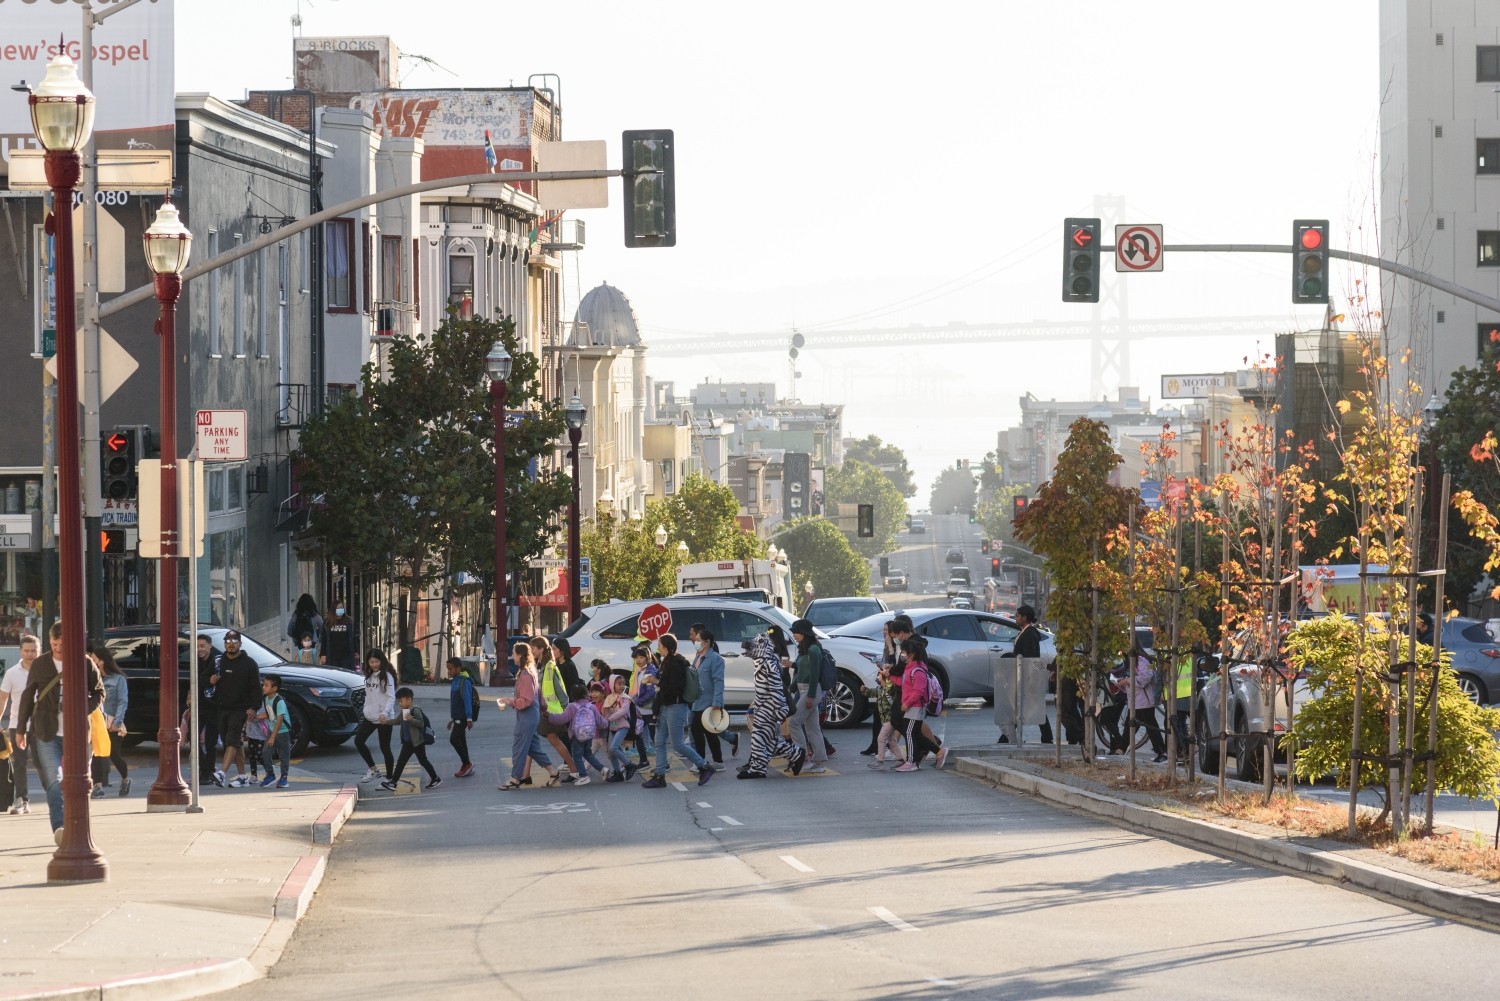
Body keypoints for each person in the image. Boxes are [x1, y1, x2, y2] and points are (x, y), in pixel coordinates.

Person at [16, 622, 105, 844]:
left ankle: (79, 823)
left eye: (62, 645)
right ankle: (60, 827)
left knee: (80, 782)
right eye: (54, 644)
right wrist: (20, 729)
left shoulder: (84, 663)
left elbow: (99, 692)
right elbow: (27, 697)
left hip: (76, 733)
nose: (57, 649)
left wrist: (82, 708)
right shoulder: (40, 664)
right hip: (46, 732)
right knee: (54, 780)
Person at [641, 633, 715, 788]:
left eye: (660, 646)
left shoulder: (676, 664)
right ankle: (660, 776)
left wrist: (656, 681)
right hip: (665, 706)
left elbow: (675, 688)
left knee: (678, 744)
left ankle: (704, 766)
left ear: (666, 647)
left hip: (676, 706)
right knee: (660, 742)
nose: (658, 649)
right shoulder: (666, 662)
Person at [738, 632, 806, 779]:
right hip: (764, 706)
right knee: (767, 741)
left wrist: (780, 708)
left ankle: (758, 769)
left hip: (769, 708)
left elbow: (775, 687)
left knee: (759, 737)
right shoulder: (762, 661)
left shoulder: (768, 663)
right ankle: (796, 754)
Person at [496, 642, 561, 790]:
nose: (512, 656)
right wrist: (543, 708)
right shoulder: (530, 671)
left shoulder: (525, 675)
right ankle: (553, 771)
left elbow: (527, 700)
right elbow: (538, 696)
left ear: (520, 655)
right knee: (532, 748)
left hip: (527, 716)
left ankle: (515, 779)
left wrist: (509, 701)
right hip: (532, 715)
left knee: (519, 747)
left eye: (514, 653)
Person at [210, 630, 261, 788]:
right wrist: (210, 680)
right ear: (224, 644)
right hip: (221, 708)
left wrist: (254, 708)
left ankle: (222, 773)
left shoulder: (249, 663)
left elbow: (256, 689)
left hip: (241, 709)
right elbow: (204, 679)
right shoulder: (218, 662)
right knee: (232, 743)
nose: (231, 644)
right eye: (228, 641)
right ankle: (242, 776)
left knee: (232, 738)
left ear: (240, 643)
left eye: (234, 641)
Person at [999, 604, 1053, 744]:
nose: (1015, 618)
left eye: (1017, 616)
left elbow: (1028, 657)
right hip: (1024, 674)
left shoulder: (1029, 634)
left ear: (1025, 617)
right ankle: (1046, 737)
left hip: (1028, 675)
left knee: (1027, 707)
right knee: (1028, 707)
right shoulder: (1025, 632)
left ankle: (1006, 738)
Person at [0, 633, 39, 814]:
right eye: (27, 651)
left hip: (43, 725)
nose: (30, 654)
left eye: (34, 650)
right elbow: (3, 698)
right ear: (20, 651)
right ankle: (22, 800)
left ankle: (59, 797)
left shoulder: (46, 670)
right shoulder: (12, 673)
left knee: (45, 763)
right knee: (20, 764)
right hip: (18, 725)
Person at [688, 623, 737, 764]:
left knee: (697, 730)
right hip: (697, 701)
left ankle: (701, 762)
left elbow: (718, 681)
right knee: (709, 733)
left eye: (698, 640)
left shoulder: (715, 658)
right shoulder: (698, 657)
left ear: (707, 642)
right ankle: (716, 762)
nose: (695, 643)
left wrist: (717, 702)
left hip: (708, 702)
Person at [786, 619, 829, 774]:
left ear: (804, 633)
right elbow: (801, 672)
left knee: (793, 722)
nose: (794, 635)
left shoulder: (813, 649)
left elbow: (814, 675)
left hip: (812, 690)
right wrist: (790, 688)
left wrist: (810, 696)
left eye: (796, 632)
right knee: (812, 728)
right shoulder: (805, 649)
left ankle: (802, 757)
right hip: (804, 690)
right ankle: (819, 761)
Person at [895, 635, 944, 771]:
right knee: (914, 733)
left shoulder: (917, 671)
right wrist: (890, 674)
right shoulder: (909, 668)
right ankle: (933, 753)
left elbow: (918, 691)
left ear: (911, 654)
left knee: (909, 733)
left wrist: (907, 703)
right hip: (910, 706)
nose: (902, 655)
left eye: (903, 652)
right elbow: (902, 683)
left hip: (915, 707)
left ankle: (911, 762)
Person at [88, 643, 130, 797]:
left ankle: (125, 779)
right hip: (96, 720)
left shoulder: (118, 679)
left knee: (113, 754)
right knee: (97, 754)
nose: (91, 662)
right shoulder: (91, 678)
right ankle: (97, 786)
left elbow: (122, 701)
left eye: (94, 659)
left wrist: (118, 722)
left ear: (102, 661)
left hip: (112, 721)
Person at [533, 636, 578, 779]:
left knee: (555, 739)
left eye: (533, 648)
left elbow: (561, 690)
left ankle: (574, 768)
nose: (531, 651)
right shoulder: (542, 665)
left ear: (541, 649)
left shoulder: (551, 667)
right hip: (544, 710)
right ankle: (524, 774)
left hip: (552, 710)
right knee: (540, 739)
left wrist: (567, 709)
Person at [547, 682, 609, 785]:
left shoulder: (572, 706)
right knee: (588, 754)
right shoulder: (591, 706)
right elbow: (601, 722)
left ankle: (583, 776)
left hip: (577, 736)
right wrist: (607, 721)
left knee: (576, 756)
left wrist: (549, 717)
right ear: (586, 694)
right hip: (589, 735)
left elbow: (562, 719)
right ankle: (602, 769)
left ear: (573, 696)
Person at [383, 687, 441, 791]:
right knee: (402, 762)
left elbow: (421, 724)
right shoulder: (405, 710)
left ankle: (435, 778)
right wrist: (386, 721)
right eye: (399, 701)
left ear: (409, 699)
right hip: (408, 742)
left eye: (401, 701)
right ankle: (394, 782)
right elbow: (398, 721)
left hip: (417, 742)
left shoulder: (415, 709)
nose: (400, 703)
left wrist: (411, 719)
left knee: (422, 761)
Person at [356, 649, 398, 783]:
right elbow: (368, 696)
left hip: (384, 718)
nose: (374, 664)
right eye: (371, 662)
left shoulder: (387, 676)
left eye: (376, 662)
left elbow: (391, 697)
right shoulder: (368, 675)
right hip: (370, 716)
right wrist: (365, 710)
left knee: (384, 748)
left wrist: (384, 713)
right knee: (359, 741)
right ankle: (373, 770)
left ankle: (390, 778)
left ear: (382, 661)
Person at [1126, 643, 1168, 763]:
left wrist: (1129, 681)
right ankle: (1120, 748)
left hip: (1144, 700)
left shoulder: (1141, 660)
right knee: (1129, 726)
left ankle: (1161, 751)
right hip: (1136, 700)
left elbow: (1145, 678)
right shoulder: (1131, 660)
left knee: (1151, 726)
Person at [862, 663, 902, 769]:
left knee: (881, 738)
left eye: (879, 675)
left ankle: (880, 761)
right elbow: (872, 693)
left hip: (890, 719)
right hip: (886, 719)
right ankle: (900, 759)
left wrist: (887, 673)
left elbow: (890, 690)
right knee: (892, 740)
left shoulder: (890, 689)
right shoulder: (881, 689)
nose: (877, 677)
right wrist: (864, 690)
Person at [256, 674, 292, 788]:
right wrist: (255, 717)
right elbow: (269, 714)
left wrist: (272, 737)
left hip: (282, 732)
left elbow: (280, 719)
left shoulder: (279, 701)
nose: (264, 687)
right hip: (273, 730)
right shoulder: (267, 698)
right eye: (264, 685)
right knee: (265, 752)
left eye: (266, 685)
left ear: (274, 688)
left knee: (283, 755)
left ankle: (284, 778)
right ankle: (270, 775)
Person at [602, 673, 639, 782]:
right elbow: (606, 712)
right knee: (610, 751)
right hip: (613, 728)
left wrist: (609, 719)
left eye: (623, 683)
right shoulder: (609, 698)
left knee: (614, 747)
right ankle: (617, 772)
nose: (622, 686)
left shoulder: (625, 698)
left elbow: (623, 711)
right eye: (619, 684)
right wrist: (604, 719)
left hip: (623, 726)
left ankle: (629, 765)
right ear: (613, 684)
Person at [446, 656, 479, 778]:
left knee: (454, 739)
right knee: (461, 741)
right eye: (448, 669)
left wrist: (469, 719)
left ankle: (467, 763)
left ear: (458, 668)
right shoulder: (455, 680)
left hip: (464, 717)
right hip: (457, 717)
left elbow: (467, 701)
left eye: (450, 669)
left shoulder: (464, 682)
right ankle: (466, 765)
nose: (449, 671)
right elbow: (456, 702)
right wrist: (453, 719)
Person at [194, 635, 221, 780]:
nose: (199, 649)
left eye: (202, 645)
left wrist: (212, 681)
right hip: (197, 705)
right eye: (197, 646)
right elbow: (193, 682)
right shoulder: (193, 661)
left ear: (210, 646)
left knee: (211, 741)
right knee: (193, 738)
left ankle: (208, 770)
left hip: (212, 706)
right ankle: (202, 767)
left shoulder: (217, 662)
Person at [320, 602, 358, 671]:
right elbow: (324, 639)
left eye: (341, 608)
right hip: (332, 656)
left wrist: (356, 651)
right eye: (338, 608)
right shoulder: (327, 622)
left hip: (346, 656)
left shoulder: (349, 621)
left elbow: (353, 637)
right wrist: (323, 654)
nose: (340, 609)